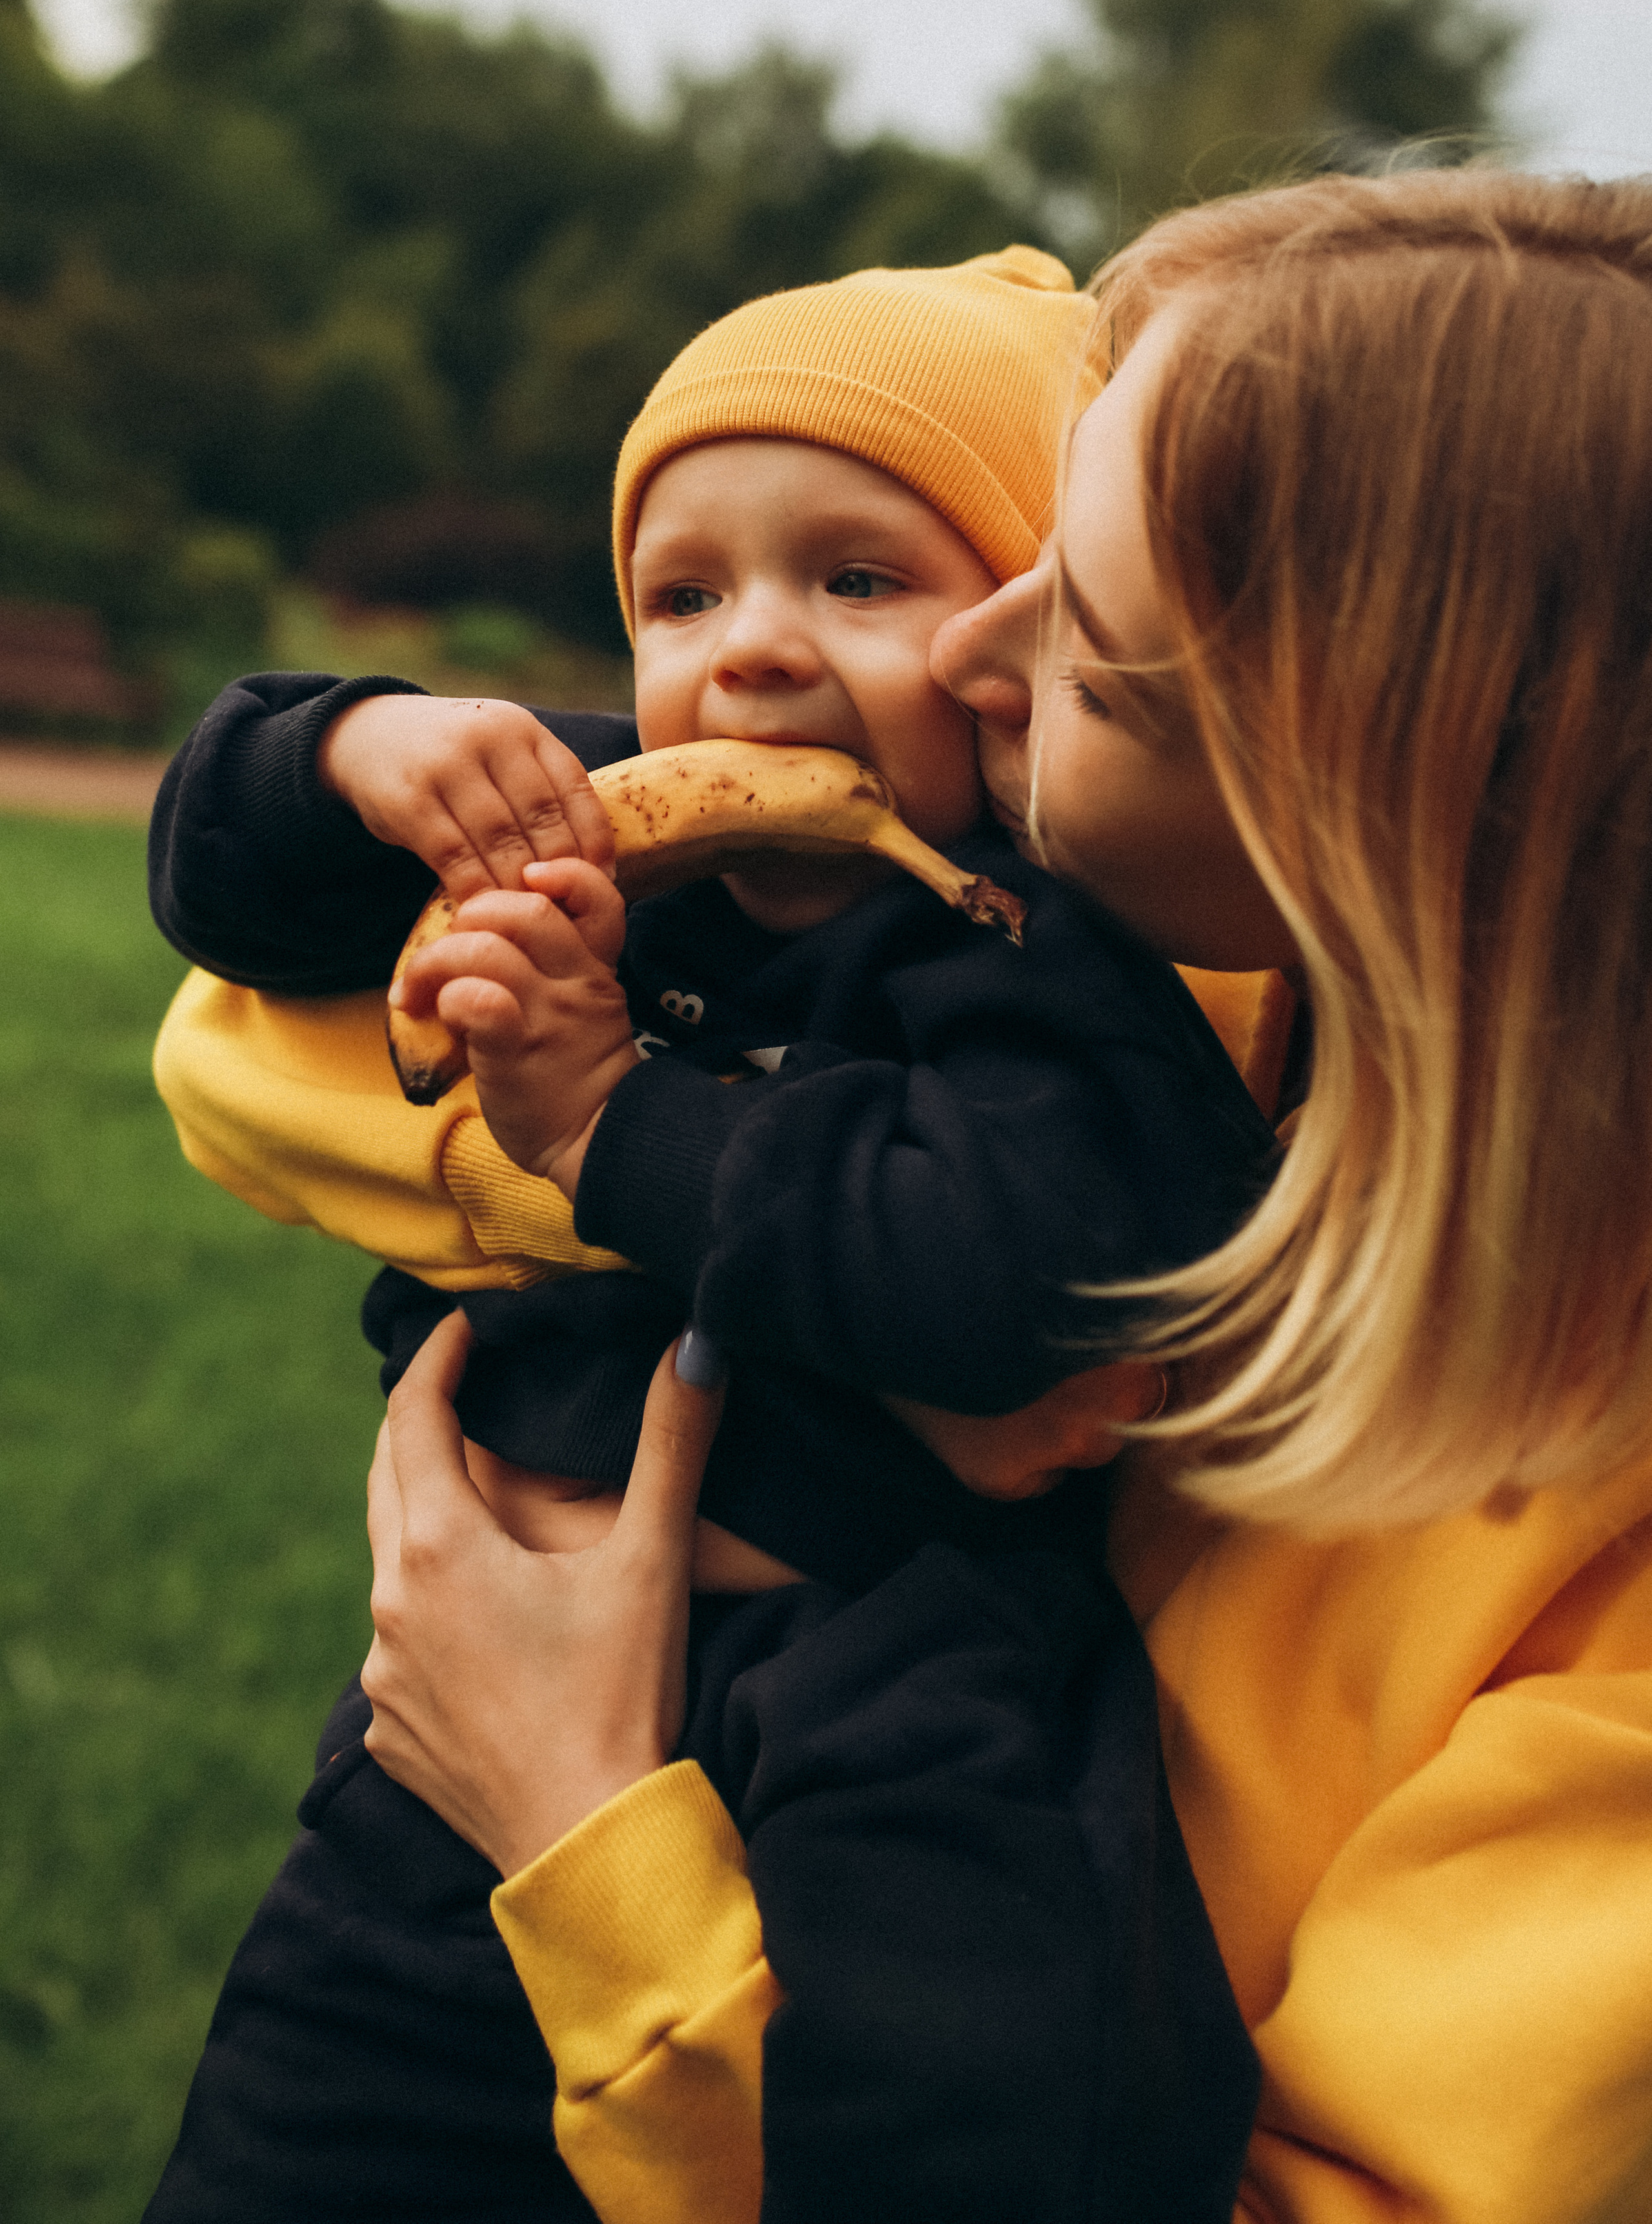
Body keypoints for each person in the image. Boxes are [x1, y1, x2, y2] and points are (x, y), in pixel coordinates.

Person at [360, 168, 1652, 2224]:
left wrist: (581, 1821)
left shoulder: (1610, 1619)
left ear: (1375, 798)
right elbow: (250, 1059)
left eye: (1096, 647)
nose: (970, 641)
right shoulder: (1251, 1008)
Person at [143, 250, 1285, 2221]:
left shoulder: (1027, 953)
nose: (748, 649)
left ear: (1028, 637)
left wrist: (611, 1122)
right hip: (471, 1641)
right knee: (317, 2114)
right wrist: (353, 758)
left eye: (860, 579)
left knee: (970, 2081)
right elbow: (226, 885)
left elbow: (1040, 1271)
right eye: (686, 591)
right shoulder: (598, 817)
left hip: (877, 1658)